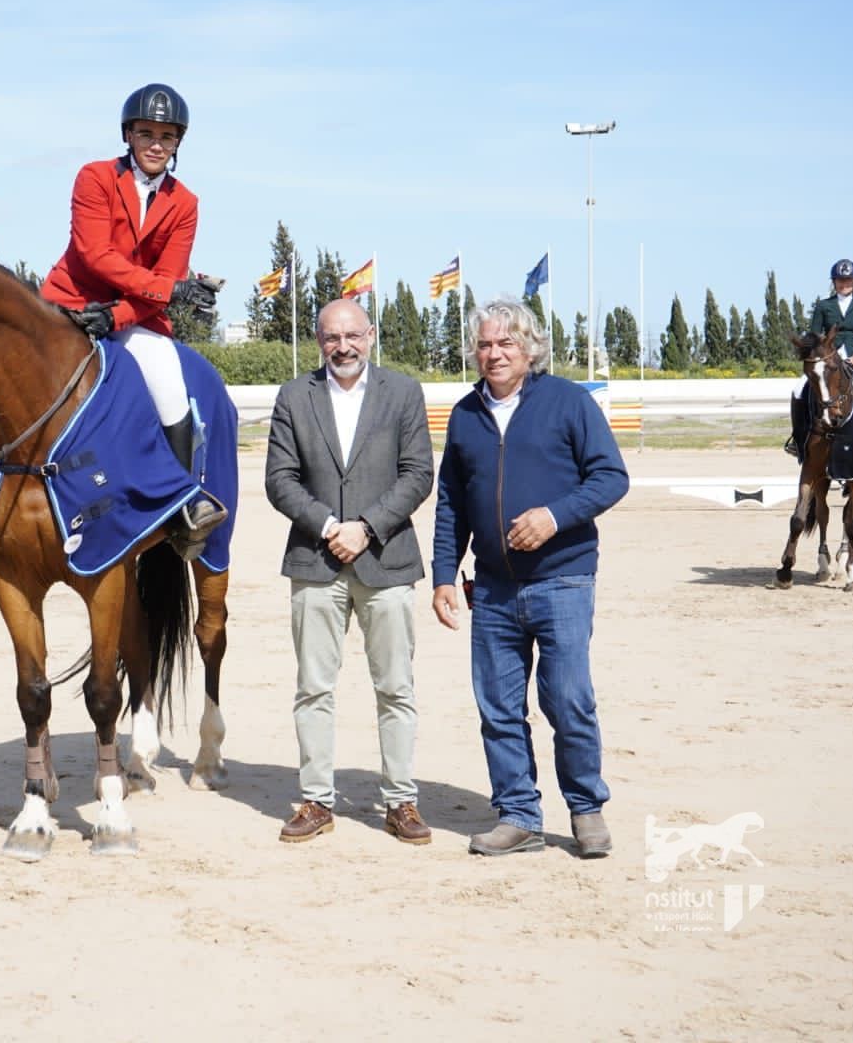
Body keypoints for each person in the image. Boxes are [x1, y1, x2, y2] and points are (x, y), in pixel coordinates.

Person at [430, 299, 628, 858]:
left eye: (505, 344)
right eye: (486, 344)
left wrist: (554, 516)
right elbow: (451, 504)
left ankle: (586, 809)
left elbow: (611, 478)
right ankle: (518, 815)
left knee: (568, 701)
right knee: (497, 707)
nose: (494, 354)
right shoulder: (466, 414)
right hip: (491, 589)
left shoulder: (568, 403)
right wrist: (445, 574)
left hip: (562, 580)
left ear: (530, 349)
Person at [264, 298, 436, 845]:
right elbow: (280, 478)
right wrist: (328, 525)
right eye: (332, 338)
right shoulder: (294, 396)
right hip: (316, 562)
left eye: (352, 336)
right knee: (313, 688)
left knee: (396, 687)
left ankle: (400, 801)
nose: (343, 347)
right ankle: (316, 799)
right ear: (319, 340)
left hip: (387, 559)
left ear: (370, 335)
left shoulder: (404, 392)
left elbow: (417, 474)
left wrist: (366, 526)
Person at [39, 83, 226, 558]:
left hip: (134, 317)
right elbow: (95, 255)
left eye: (166, 135)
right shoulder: (95, 177)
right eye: (146, 133)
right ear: (129, 135)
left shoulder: (185, 203)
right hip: (70, 304)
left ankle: (181, 504)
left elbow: (166, 276)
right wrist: (170, 290)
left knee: (167, 381)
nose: (156, 143)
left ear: (178, 141)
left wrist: (120, 316)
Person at [786, 258, 853, 457]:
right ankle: (797, 438)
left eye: (848, 280)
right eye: (840, 280)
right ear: (834, 282)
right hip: (828, 358)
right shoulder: (824, 306)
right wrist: (816, 353)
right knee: (798, 390)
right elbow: (814, 335)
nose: (844, 284)